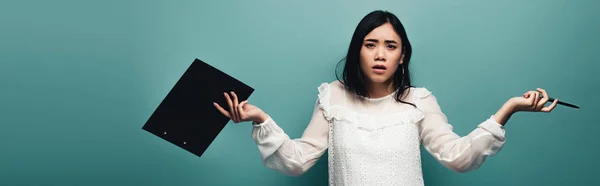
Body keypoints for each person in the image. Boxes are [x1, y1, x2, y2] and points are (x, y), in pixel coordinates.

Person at [213, 10, 558, 186]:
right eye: (370, 44)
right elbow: (298, 161)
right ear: (357, 52)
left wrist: (509, 109)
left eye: (390, 46)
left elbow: (458, 157)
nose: (380, 55)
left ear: (402, 56)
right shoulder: (333, 97)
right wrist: (261, 119)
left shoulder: (419, 101)